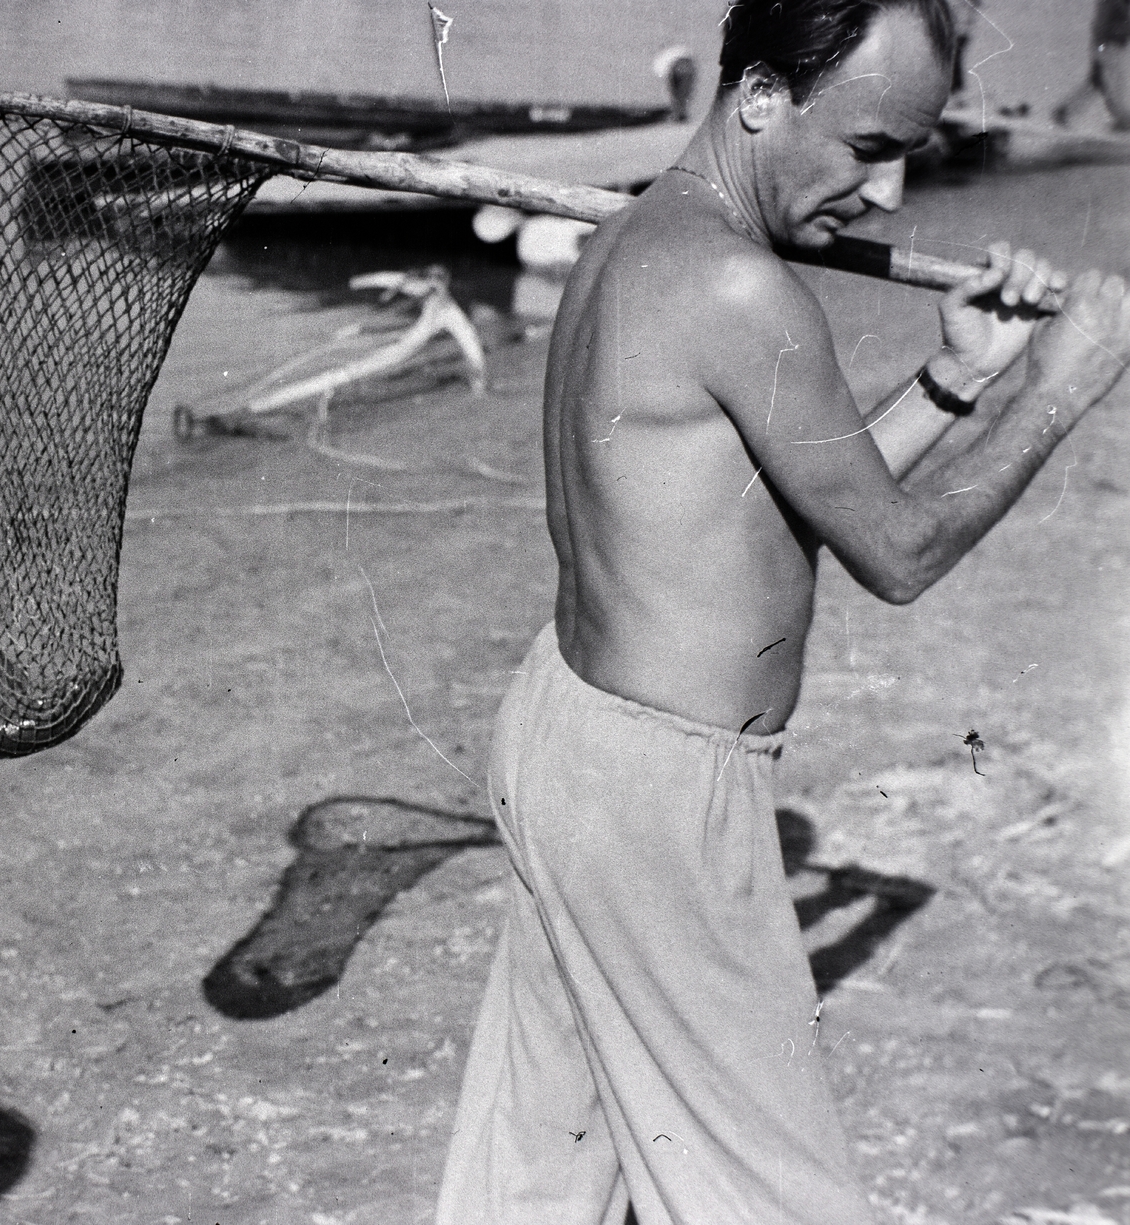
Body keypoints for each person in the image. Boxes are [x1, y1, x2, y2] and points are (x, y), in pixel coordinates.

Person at [435, 1, 1130, 1222]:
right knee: (780, 1196)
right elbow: (896, 553)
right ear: (760, 95)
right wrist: (1059, 389)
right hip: (659, 792)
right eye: (868, 145)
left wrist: (960, 377)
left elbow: (795, 497)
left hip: (566, 736)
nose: (889, 193)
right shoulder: (742, 286)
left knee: (543, 1175)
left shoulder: (630, 239)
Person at [1053, 0, 1130, 130]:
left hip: (1110, 47)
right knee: (1112, 84)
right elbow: (1101, 24)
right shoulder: (1112, 2)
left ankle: (1064, 111)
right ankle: (1122, 121)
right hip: (1108, 47)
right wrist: (1100, 50)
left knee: (1097, 83)